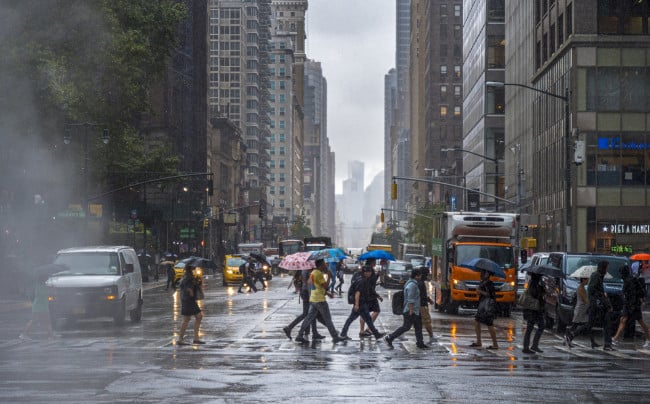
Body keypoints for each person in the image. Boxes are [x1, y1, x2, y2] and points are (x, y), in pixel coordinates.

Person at [294, 259, 346, 344]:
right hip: (320, 300)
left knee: (308, 318)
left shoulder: (313, 273)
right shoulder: (318, 273)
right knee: (328, 319)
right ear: (320, 265)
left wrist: (326, 293)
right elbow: (325, 286)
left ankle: (299, 335)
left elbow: (311, 284)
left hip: (313, 298)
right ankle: (335, 337)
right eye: (324, 264)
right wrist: (329, 276)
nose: (326, 265)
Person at [384, 268, 429, 349]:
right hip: (411, 310)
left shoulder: (412, 283)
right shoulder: (412, 285)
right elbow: (410, 299)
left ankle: (420, 343)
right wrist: (411, 310)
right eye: (420, 275)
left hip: (415, 310)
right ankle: (390, 337)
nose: (421, 276)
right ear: (417, 276)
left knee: (418, 326)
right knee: (406, 327)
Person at [339, 265, 386, 341]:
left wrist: (377, 296)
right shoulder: (362, 281)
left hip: (361, 303)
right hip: (361, 304)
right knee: (367, 320)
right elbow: (358, 293)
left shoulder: (364, 280)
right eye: (369, 272)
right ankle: (376, 334)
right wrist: (357, 304)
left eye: (370, 272)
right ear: (365, 272)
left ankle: (343, 334)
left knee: (353, 319)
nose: (370, 273)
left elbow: (370, 290)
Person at [612, 265, 650, 347]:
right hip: (632, 304)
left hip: (631, 305)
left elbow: (631, 294)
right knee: (624, 320)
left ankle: (616, 339)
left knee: (632, 320)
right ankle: (616, 338)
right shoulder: (631, 279)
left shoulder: (628, 281)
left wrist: (631, 306)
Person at [283, 268, 325, 341]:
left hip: (305, 292)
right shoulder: (307, 269)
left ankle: (314, 333)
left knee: (311, 313)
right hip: (307, 293)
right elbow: (309, 283)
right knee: (308, 313)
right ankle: (290, 328)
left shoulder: (306, 269)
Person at [587, 260, 614, 350]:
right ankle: (572, 334)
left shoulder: (599, 276)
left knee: (606, 323)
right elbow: (592, 289)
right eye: (606, 267)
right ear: (603, 267)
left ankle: (607, 344)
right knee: (590, 324)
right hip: (596, 304)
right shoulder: (596, 276)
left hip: (600, 304)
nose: (607, 269)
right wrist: (601, 295)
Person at [20, 272, 54, 340]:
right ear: (43, 279)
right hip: (40, 306)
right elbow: (48, 295)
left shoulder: (39, 286)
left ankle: (51, 336)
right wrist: (51, 289)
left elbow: (48, 296)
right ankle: (23, 334)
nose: (47, 279)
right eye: (46, 278)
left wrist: (50, 290)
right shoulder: (43, 287)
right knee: (37, 321)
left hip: (40, 306)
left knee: (43, 321)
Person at [470, 269, 499, 349]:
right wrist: (478, 291)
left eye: (482, 273)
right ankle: (479, 341)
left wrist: (479, 290)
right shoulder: (483, 282)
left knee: (489, 324)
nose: (480, 274)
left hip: (488, 307)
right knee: (477, 322)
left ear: (487, 274)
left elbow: (489, 294)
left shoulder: (489, 284)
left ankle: (495, 344)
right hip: (483, 306)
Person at [176, 264, 204, 345]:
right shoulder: (187, 277)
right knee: (189, 318)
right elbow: (185, 287)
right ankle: (181, 339)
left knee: (196, 317)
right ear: (190, 267)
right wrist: (190, 291)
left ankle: (195, 338)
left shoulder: (189, 275)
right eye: (193, 266)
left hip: (188, 300)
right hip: (188, 300)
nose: (195, 266)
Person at [565, 276, 592, 348]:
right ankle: (568, 336)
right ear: (583, 280)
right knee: (575, 325)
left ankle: (568, 337)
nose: (588, 281)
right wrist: (590, 301)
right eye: (587, 279)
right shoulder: (580, 288)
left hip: (583, 309)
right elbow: (585, 300)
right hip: (580, 309)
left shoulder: (583, 288)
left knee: (585, 324)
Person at [521, 273, 546, 353]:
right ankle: (530, 347)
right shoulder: (533, 284)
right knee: (537, 326)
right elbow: (535, 294)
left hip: (534, 309)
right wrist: (541, 289)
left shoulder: (535, 283)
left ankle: (531, 346)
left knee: (532, 327)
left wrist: (542, 288)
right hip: (533, 309)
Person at [360, 258, 383, 338]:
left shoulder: (363, 269)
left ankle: (362, 330)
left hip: (363, 294)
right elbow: (371, 284)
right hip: (370, 295)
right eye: (374, 261)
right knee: (376, 310)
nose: (375, 263)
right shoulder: (370, 271)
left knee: (363, 313)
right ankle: (369, 329)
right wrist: (377, 295)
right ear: (371, 262)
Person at [418, 265, 435, 340]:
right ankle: (431, 336)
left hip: (420, 304)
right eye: (427, 274)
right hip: (422, 305)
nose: (428, 276)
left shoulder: (420, 282)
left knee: (418, 322)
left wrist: (429, 299)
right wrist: (428, 300)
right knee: (427, 321)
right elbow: (422, 295)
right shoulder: (420, 283)